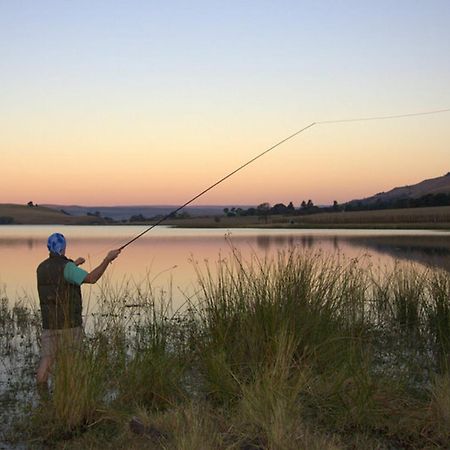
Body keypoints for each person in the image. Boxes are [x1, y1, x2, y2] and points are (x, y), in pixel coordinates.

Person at [36, 232, 121, 388]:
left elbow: (57, 278)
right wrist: (107, 260)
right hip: (69, 325)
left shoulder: (41, 267)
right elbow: (91, 278)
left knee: (46, 360)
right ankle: (73, 393)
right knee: (74, 361)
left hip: (49, 324)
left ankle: (42, 395)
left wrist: (74, 264)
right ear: (63, 247)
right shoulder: (66, 267)